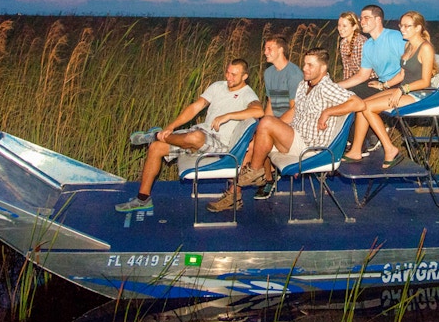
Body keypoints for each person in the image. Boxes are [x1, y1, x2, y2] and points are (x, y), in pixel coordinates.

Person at [207, 47, 364, 212]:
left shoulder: (328, 87)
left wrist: (328, 112)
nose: (304, 68)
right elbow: (294, 111)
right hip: (294, 137)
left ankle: (256, 172)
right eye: (304, 64)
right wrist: (269, 127)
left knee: (266, 123)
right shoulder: (304, 85)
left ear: (323, 68)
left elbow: (359, 103)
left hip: (310, 147)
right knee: (253, 143)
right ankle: (234, 195)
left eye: (310, 65)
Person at [115, 58, 264, 212]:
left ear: (244, 77)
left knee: (195, 137)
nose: (228, 77)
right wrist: (171, 126)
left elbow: (259, 111)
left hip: (221, 144)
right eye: (227, 72)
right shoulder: (217, 86)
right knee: (156, 148)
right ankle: (143, 198)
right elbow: (195, 107)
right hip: (202, 134)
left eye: (234, 74)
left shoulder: (247, 94)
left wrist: (228, 115)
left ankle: (156, 135)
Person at [342, 10, 438, 168]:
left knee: (368, 108)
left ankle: (390, 149)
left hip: (420, 94)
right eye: (401, 25)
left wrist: (402, 90)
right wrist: (384, 85)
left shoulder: (425, 48)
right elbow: (402, 75)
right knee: (361, 104)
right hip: (404, 89)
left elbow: (425, 81)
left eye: (407, 26)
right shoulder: (408, 45)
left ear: (418, 28)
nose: (402, 29)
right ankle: (356, 150)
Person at [336, 4, 405, 153]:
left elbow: (409, 66)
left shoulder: (394, 37)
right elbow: (362, 75)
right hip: (381, 83)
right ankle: (353, 143)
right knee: (347, 95)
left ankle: (362, 144)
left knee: (356, 101)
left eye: (367, 18)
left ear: (378, 20)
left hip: (398, 84)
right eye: (361, 18)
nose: (362, 21)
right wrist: (337, 86)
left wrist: (386, 85)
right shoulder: (368, 45)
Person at [263, 34, 303, 118]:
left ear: (280, 50)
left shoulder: (294, 74)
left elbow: (295, 109)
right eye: (265, 49)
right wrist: (266, 122)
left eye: (269, 49)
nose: (265, 52)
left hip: (291, 120)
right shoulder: (268, 73)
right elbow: (270, 103)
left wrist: (276, 126)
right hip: (275, 120)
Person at [336, 11, 366, 82]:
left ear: (354, 27)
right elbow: (347, 69)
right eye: (339, 25)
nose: (340, 29)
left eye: (344, 26)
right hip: (357, 79)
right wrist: (345, 84)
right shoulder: (343, 43)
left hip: (369, 79)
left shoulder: (361, 42)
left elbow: (364, 72)